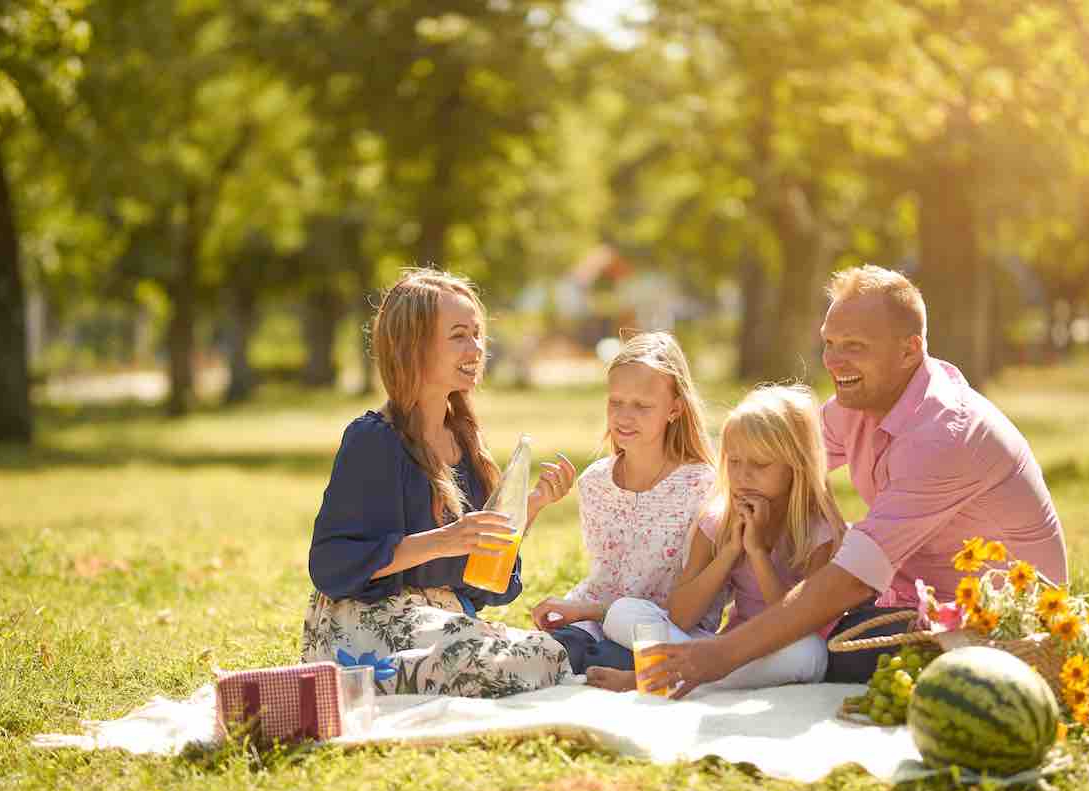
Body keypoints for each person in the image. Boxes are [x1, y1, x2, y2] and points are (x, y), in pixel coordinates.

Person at [639, 265, 1068, 696]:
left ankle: (703, 662)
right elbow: (779, 459)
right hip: (909, 600)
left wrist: (719, 656)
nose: (833, 360)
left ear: (909, 350)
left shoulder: (942, 434)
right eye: (829, 342)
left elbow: (852, 579)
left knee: (826, 652)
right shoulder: (860, 402)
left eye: (854, 346)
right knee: (813, 637)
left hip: (1000, 625)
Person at [300, 268, 578, 698]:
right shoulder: (373, 440)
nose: (477, 347)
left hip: (443, 623)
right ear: (413, 347)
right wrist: (444, 541)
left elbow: (484, 584)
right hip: (365, 628)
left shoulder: (465, 443)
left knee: (548, 653)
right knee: (521, 662)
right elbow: (330, 564)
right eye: (459, 335)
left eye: (478, 333)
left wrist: (530, 509)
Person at [587, 384, 846, 692]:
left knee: (811, 653)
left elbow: (800, 622)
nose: (743, 475)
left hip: (783, 648)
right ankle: (691, 673)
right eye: (734, 462)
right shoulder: (717, 521)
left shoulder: (819, 532)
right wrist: (730, 553)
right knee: (624, 611)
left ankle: (657, 676)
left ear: (797, 466)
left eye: (760, 465)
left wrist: (759, 553)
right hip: (722, 649)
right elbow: (681, 617)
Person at [528, 332, 720, 674]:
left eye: (642, 405)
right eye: (616, 402)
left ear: (675, 409)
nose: (624, 416)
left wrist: (592, 613)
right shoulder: (595, 482)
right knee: (548, 654)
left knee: (612, 659)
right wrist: (578, 614)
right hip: (589, 620)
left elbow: (693, 602)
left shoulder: (702, 486)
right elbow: (602, 576)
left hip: (660, 627)